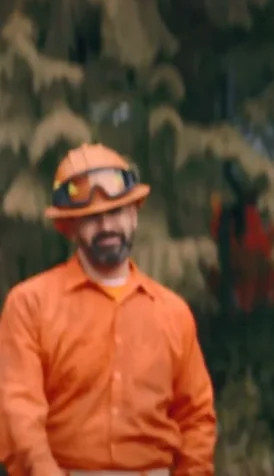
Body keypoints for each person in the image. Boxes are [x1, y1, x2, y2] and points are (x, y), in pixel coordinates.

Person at [0, 144, 216, 476]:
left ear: (134, 215)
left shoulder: (173, 312)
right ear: (69, 227)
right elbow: (19, 409)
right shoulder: (30, 304)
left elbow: (197, 417)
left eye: (116, 212)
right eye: (91, 217)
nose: (106, 226)